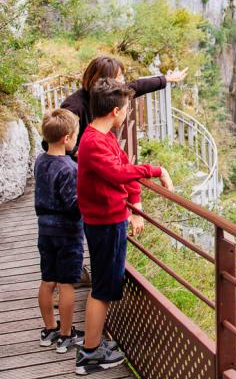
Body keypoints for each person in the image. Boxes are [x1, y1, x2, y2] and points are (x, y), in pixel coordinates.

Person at [75, 78, 174, 375]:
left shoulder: (101, 137)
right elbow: (119, 172)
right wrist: (157, 170)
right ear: (116, 111)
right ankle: (89, 354)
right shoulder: (93, 142)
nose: (129, 113)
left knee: (106, 286)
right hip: (104, 223)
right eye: (128, 108)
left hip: (111, 219)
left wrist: (136, 205)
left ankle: (93, 344)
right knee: (103, 289)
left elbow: (123, 168)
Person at [48, 56, 188, 158]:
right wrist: (79, 153)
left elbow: (137, 86)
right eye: (119, 78)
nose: (122, 82)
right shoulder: (74, 106)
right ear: (104, 80)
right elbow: (50, 141)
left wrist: (166, 79)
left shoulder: (106, 94)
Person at [35, 108, 84, 353]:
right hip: (67, 233)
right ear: (67, 138)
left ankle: (49, 329)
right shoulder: (68, 168)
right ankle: (66, 334)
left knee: (47, 281)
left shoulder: (40, 160)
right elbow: (74, 207)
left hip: (45, 231)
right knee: (66, 285)